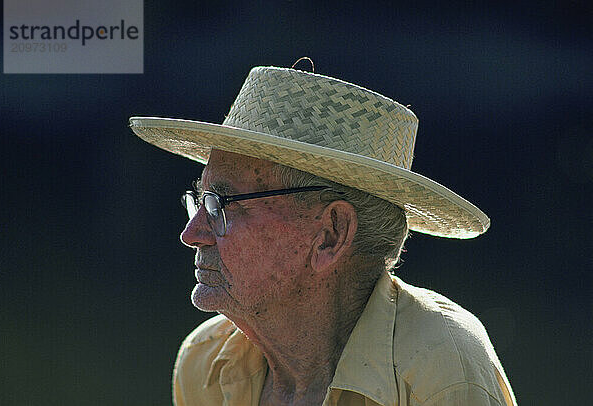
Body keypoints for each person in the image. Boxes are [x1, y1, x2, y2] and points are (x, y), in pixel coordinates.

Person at [130, 65, 516, 406]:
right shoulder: (204, 364)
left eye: (223, 205)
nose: (192, 233)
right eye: (200, 200)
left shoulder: (442, 369)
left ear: (330, 236)